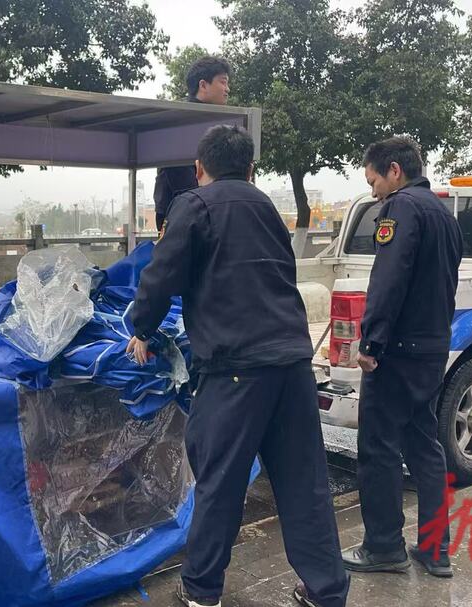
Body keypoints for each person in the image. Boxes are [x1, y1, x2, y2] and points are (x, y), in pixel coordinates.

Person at [127, 125, 349, 607]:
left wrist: (141, 328)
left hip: (235, 370)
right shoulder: (266, 207)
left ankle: (202, 590)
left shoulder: (194, 205)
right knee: (304, 483)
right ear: (250, 169)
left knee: (220, 482)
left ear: (199, 168)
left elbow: (160, 276)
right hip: (292, 364)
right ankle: (326, 590)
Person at [342, 136, 463, 578]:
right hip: (432, 348)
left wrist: (371, 341)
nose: (373, 192)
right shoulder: (444, 214)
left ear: (394, 170)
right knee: (425, 447)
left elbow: (388, 279)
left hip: (396, 352)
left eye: (373, 181)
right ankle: (435, 549)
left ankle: (383, 547)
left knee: (378, 449)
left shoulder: (401, 208)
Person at [153, 55, 232, 235]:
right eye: (223, 82)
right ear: (203, 85)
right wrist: (206, 204)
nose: (227, 89)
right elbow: (178, 173)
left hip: (199, 209)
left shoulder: (211, 121)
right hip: (183, 214)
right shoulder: (180, 120)